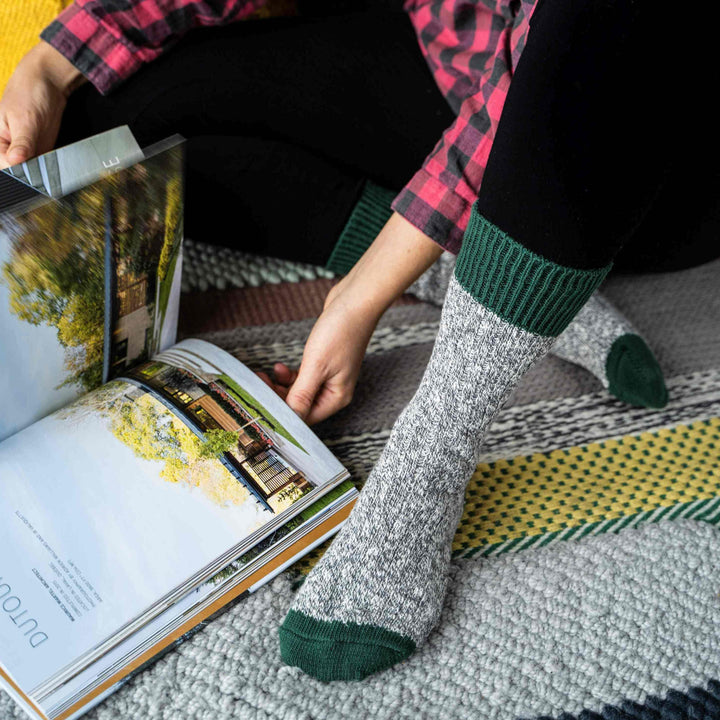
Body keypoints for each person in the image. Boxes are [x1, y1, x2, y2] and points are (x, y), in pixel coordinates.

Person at [1, 0, 718, 681]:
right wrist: (47, 67)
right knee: (109, 125)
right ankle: (475, 279)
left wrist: (363, 294)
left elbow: (528, 85)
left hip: (636, 128)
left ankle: (436, 444)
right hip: (445, 61)